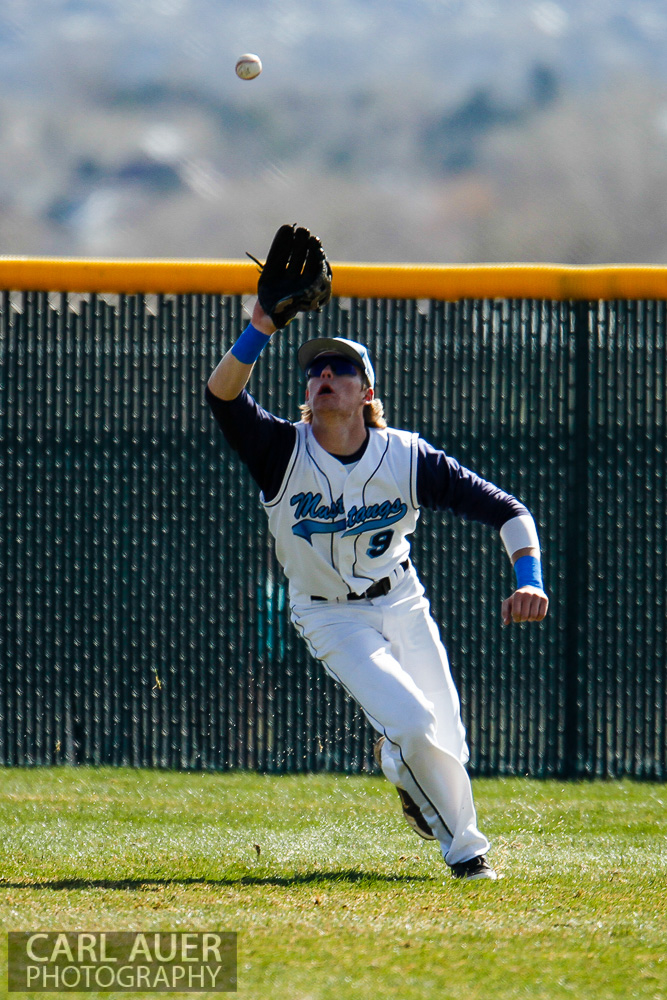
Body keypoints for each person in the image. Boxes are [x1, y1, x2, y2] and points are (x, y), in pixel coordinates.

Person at [205, 226, 548, 882]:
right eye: (313, 370)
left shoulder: (407, 458)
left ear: (366, 392)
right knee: (415, 724)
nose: (323, 374)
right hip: (329, 616)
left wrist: (527, 577)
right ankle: (468, 855)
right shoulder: (280, 450)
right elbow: (221, 396)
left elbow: (509, 512)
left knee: (445, 743)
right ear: (305, 394)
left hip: (399, 598)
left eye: (339, 369)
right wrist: (259, 325)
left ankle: (401, 767)